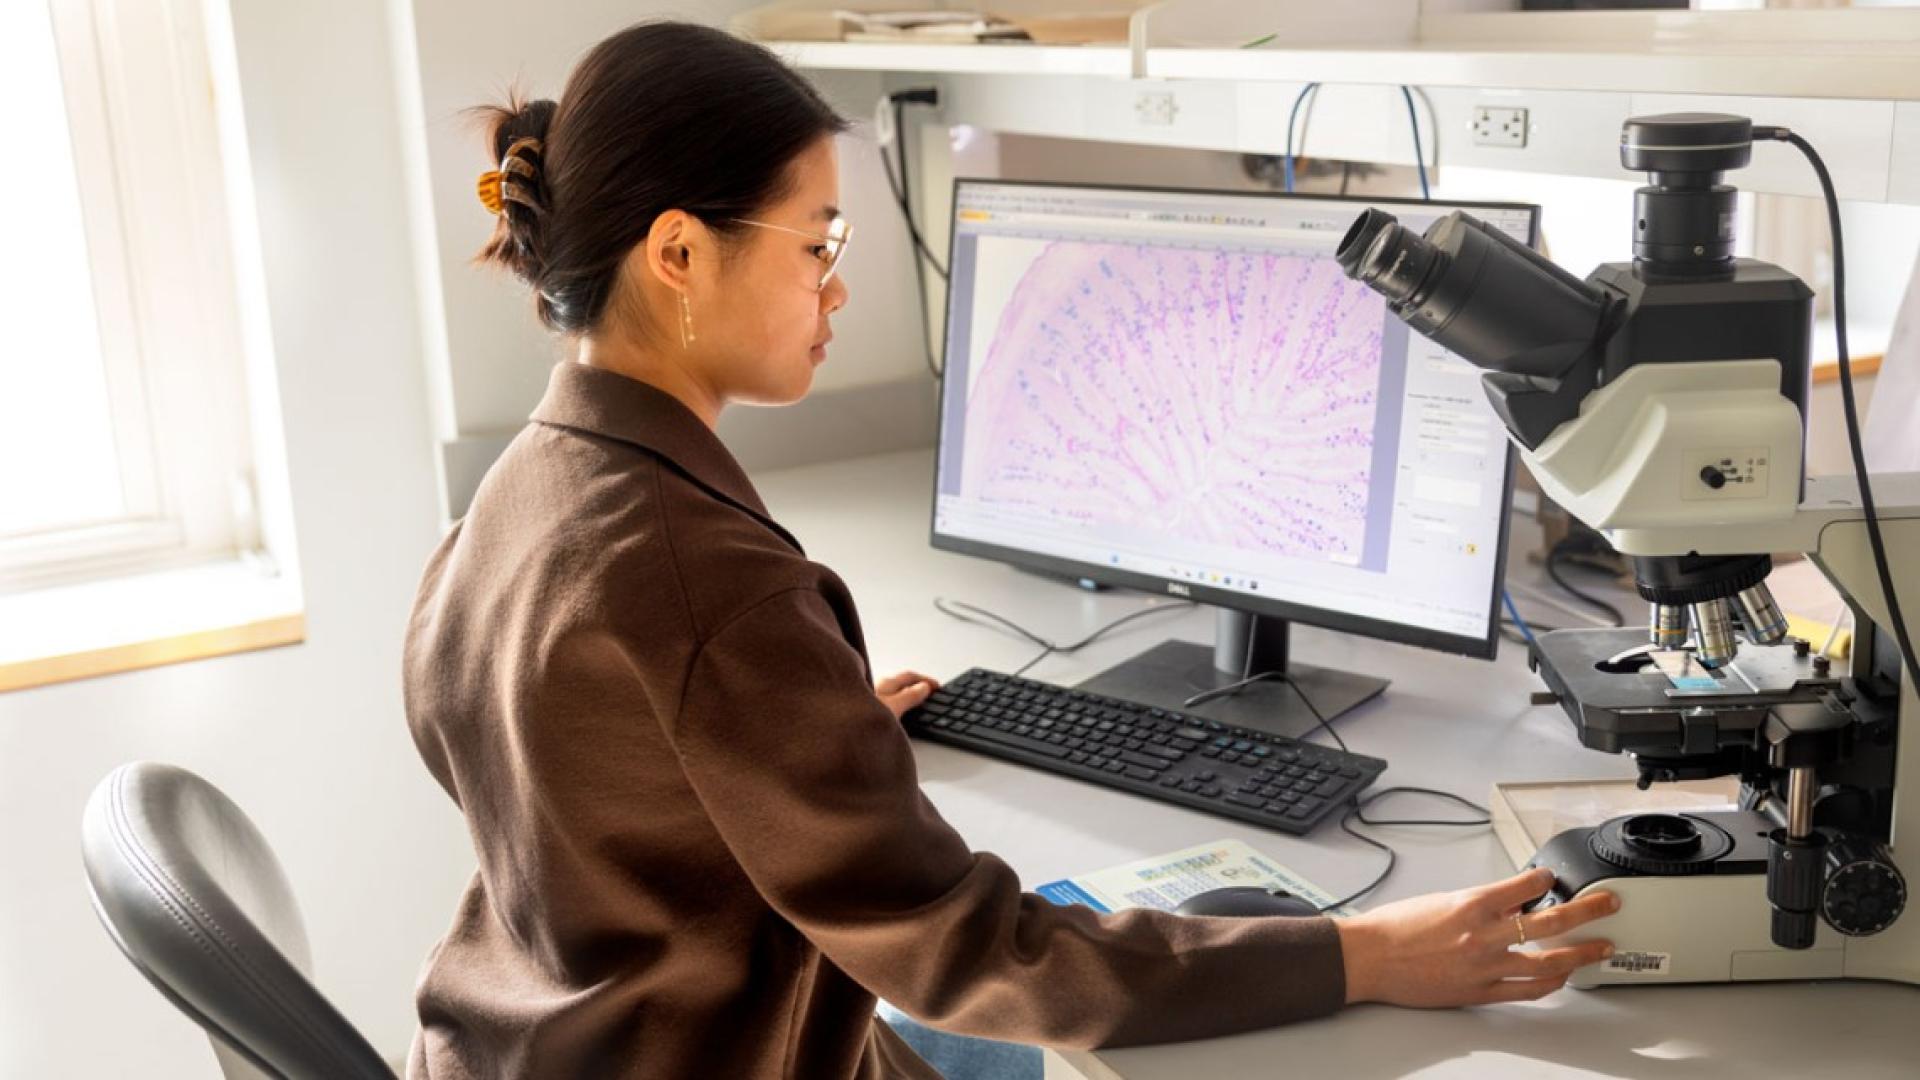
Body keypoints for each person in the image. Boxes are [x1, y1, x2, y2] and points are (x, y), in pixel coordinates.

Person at [401, 20, 1619, 1080]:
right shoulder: (704, 590)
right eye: (816, 242)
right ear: (677, 254)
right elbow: (974, 953)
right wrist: (1359, 953)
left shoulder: (518, 495)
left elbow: (561, 773)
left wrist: (779, 741)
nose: (835, 290)